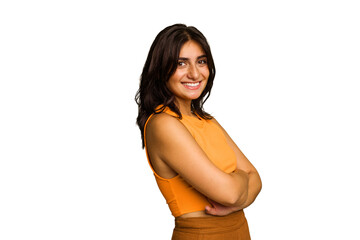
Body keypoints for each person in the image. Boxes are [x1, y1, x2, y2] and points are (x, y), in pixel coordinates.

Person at [135, 23, 262, 240]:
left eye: (201, 62)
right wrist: (240, 186)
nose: (194, 74)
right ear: (160, 68)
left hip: (240, 231)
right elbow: (231, 193)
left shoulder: (206, 120)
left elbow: (257, 179)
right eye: (181, 63)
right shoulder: (163, 124)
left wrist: (236, 194)